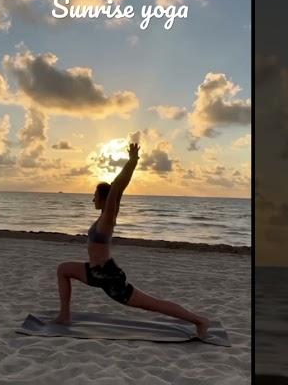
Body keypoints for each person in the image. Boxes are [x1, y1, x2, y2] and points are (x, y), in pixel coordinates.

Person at [53, 142, 210, 338]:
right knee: (63, 269)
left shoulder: (108, 217)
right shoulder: (102, 216)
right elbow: (117, 190)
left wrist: (133, 161)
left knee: (153, 304)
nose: (92, 200)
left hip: (108, 277)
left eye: (95, 196)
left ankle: (200, 321)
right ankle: (64, 315)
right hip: (95, 272)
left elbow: (118, 187)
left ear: (103, 199)